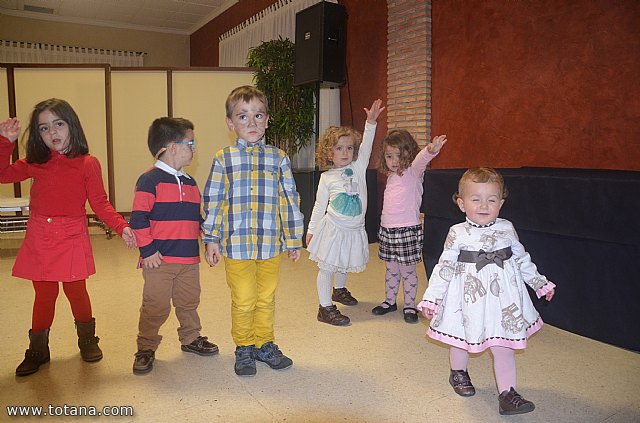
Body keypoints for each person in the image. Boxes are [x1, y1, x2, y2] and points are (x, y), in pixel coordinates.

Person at [0, 99, 136, 376]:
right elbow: (2, 174)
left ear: (71, 125)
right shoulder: (35, 163)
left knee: (76, 291)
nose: (53, 132)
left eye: (58, 124)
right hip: (40, 234)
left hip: (71, 234)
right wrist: (5, 143)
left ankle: (87, 340)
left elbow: (100, 203)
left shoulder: (88, 163)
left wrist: (122, 226)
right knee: (44, 293)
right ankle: (38, 350)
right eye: (44, 128)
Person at [418, 167, 556, 415]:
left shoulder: (507, 228)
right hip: (468, 299)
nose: (484, 205)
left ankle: (508, 394)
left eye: (491, 200)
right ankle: (458, 373)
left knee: (503, 345)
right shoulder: (457, 233)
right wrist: (432, 298)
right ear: (461, 204)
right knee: (461, 336)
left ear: (500, 203)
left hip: (503, 300)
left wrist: (539, 282)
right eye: (475, 199)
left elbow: (522, 258)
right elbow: (444, 267)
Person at [202, 85, 304, 377]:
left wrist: (293, 238)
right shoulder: (224, 158)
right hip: (237, 246)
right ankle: (244, 346)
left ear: (268, 119)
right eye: (243, 117)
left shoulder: (279, 158)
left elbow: (289, 199)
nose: (252, 123)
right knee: (244, 298)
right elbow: (214, 200)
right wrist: (211, 238)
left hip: (270, 244)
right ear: (230, 123)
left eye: (258, 115)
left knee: (267, 297)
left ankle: (264, 343)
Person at [129, 117, 219, 375]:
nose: (194, 148)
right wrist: (147, 251)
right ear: (172, 147)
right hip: (159, 260)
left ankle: (191, 338)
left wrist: (208, 242)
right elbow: (138, 218)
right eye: (191, 143)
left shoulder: (190, 182)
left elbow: (196, 219)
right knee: (155, 305)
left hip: (188, 259)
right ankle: (145, 347)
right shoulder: (150, 180)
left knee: (189, 302)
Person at [306, 99, 385, 326]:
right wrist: (311, 230)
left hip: (354, 229)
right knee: (328, 266)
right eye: (339, 148)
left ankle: (338, 291)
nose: (345, 152)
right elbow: (319, 206)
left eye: (349, 148)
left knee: (345, 260)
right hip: (334, 229)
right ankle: (325, 308)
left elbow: (368, 145)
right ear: (329, 153)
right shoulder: (326, 178)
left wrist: (370, 122)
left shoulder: (358, 168)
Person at [372, 130, 447, 323]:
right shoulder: (390, 176)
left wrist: (431, 150)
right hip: (387, 229)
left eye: (399, 155)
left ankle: (410, 305)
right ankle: (390, 302)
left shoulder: (413, 172)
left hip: (407, 230)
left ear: (409, 154)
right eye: (389, 156)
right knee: (391, 269)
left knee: (407, 271)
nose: (394, 160)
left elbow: (422, 160)